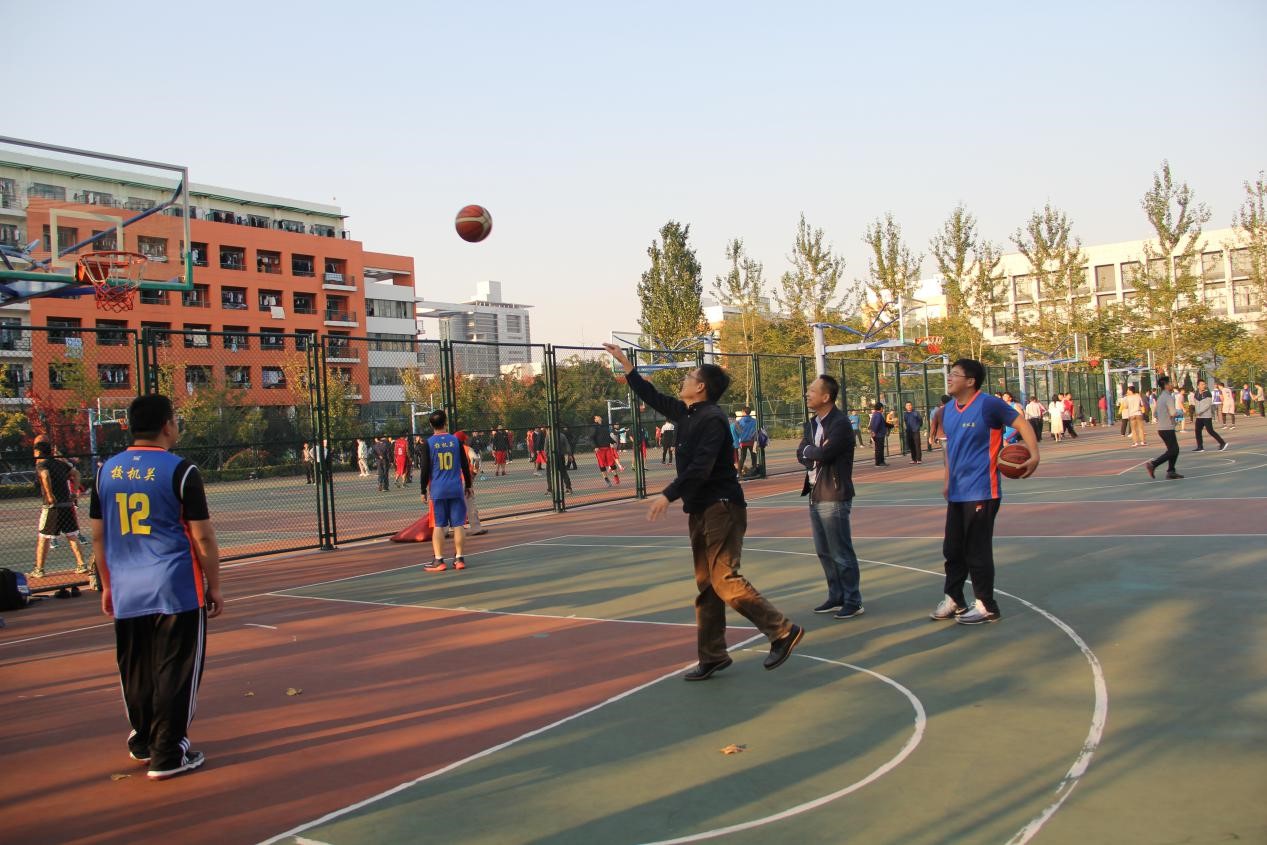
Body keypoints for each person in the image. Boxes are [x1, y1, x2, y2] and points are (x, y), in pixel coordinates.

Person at [602, 343, 803, 680]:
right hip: (701, 508)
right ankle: (712, 655)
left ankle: (782, 631)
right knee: (707, 584)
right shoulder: (687, 413)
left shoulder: (712, 419)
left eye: (690, 376)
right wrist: (627, 365)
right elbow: (652, 396)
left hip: (721, 506)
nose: (684, 379)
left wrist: (668, 494)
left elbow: (702, 466)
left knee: (724, 578)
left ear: (701, 387)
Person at [91, 394, 223, 781]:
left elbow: (98, 536)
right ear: (167, 425)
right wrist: (214, 585)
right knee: (176, 670)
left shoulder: (105, 471)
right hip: (174, 587)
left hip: (127, 585)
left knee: (136, 668)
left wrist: (107, 585)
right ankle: (168, 752)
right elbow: (203, 537)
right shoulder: (181, 470)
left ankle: (144, 741)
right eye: (176, 419)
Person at [931, 359, 1039, 625]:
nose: (949, 378)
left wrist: (1034, 454)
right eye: (950, 373)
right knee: (952, 549)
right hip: (957, 490)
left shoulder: (989, 404)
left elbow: (1022, 424)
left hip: (982, 490)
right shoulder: (948, 410)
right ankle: (954, 599)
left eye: (955, 374)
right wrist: (947, 480)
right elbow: (951, 449)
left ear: (970, 381)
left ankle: (987, 605)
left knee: (976, 550)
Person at [798, 375, 863, 619]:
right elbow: (802, 452)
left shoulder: (840, 423)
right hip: (815, 492)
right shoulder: (812, 423)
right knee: (824, 551)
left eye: (812, 391)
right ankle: (836, 596)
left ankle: (853, 600)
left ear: (826, 397)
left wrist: (812, 451)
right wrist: (811, 451)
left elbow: (826, 454)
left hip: (833, 494)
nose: (807, 394)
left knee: (840, 552)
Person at [419, 409, 473, 572]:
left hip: (438, 490)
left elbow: (425, 469)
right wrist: (468, 485)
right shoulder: (456, 441)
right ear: (446, 422)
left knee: (439, 526)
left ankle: (439, 560)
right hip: (455, 488)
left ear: (431, 425)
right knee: (458, 524)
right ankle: (459, 558)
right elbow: (464, 465)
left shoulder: (428, 444)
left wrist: (423, 490)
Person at [31, 440, 90, 579]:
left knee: (43, 537)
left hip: (52, 507)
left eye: (35, 451)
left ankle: (39, 569)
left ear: (38, 452)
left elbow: (45, 475)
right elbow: (77, 474)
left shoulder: (42, 465)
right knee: (72, 535)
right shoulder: (60, 463)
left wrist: (50, 495)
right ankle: (81, 564)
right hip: (67, 505)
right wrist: (74, 492)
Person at [1143, 376, 1182, 481]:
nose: (1171, 385)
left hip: (1161, 428)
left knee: (1173, 450)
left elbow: (1155, 413)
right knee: (1174, 450)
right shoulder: (1168, 397)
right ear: (1166, 385)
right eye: (1170, 383)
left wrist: (1163, 417)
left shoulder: (1160, 397)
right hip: (1167, 428)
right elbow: (1173, 413)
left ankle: (1171, 471)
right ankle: (1153, 464)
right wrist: (1180, 412)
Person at [455, 431, 487, 536]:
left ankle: (444, 530)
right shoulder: (467, 449)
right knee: (470, 503)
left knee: (450, 505)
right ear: (463, 440)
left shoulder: (449, 449)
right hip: (465, 480)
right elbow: (476, 459)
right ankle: (476, 528)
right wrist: (474, 472)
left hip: (451, 480)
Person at [1191, 379, 1227, 453]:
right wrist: (1196, 412)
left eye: (1204, 384)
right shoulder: (1196, 393)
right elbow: (1196, 403)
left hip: (1206, 416)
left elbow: (1207, 405)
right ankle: (1200, 447)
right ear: (1198, 386)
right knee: (1197, 431)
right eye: (1202, 384)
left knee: (1210, 431)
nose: (1203, 386)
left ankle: (1222, 443)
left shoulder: (1207, 393)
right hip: (1199, 417)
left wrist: (1199, 411)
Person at [591, 414, 620, 486]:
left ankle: (616, 476)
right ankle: (606, 479)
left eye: (599, 416)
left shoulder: (605, 426)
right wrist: (595, 446)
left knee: (612, 463)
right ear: (595, 420)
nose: (599, 417)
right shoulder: (594, 427)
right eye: (597, 417)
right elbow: (591, 438)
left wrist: (612, 442)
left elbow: (608, 436)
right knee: (602, 464)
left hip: (607, 448)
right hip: (599, 449)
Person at [732, 407, 759, 477]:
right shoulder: (755, 421)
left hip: (743, 441)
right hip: (752, 441)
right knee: (753, 456)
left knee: (742, 457)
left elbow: (738, 431)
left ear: (744, 412)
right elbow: (757, 430)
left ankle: (739, 472)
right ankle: (754, 469)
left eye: (742, 412)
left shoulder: (739, 421)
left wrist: (741, 436)